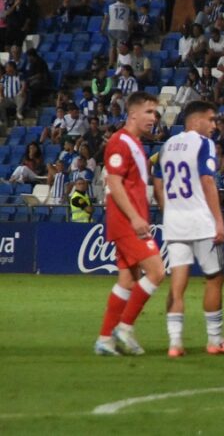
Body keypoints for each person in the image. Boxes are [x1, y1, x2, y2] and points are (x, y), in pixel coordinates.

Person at [152, 100, 224, 357]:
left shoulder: (167, 145)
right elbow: (207, 180)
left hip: (175, 222)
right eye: (211, 120)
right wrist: (219, 221)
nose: (214, 126)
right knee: (214, 277)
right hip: (200, 222)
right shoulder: (204, 144)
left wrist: (169, 212)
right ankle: (215, 340)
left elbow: (157, 183)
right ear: (195, 120)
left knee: (178, 283)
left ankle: (175, 344)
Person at [93, 91, 164, 356]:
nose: (153, 118)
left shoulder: (135, 143)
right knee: (157, 272)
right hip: (126, 221)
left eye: (155, 113)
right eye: (148, 112)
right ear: (132, 113)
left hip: (129, 220)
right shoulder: (119, 142)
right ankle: (124, 326)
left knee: (128, 279)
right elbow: (114, 181)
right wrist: (135, 217)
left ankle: (104, 340)